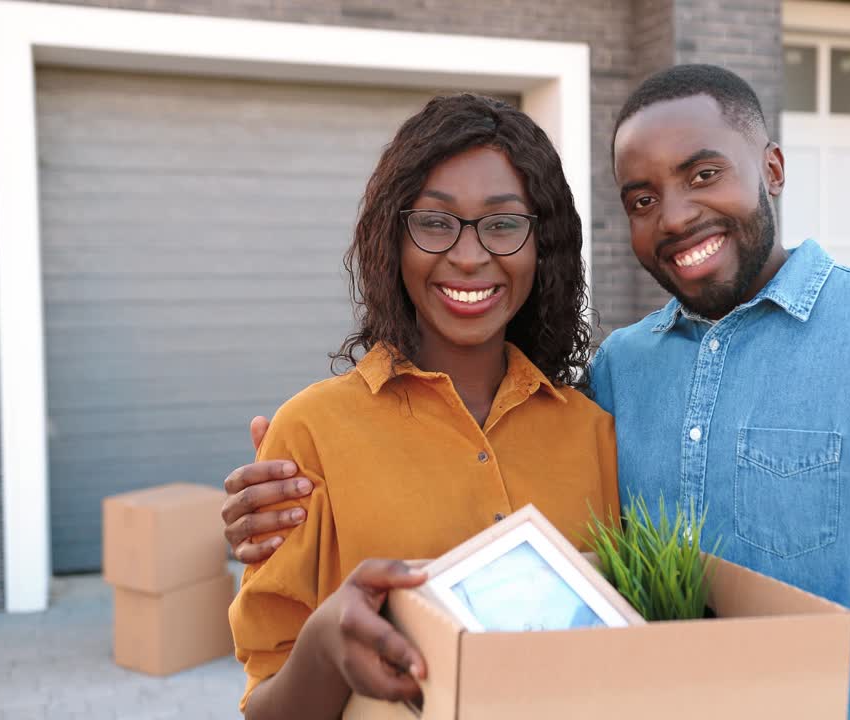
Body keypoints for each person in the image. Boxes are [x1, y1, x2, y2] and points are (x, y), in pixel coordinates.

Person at [223, 65, 850, 720]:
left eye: (704, 173)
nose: (678, 215)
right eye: (642, 196)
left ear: (771, 168)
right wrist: (292, 482)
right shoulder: (620, 375)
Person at [225, 93, 619, 719]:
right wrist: (327, 646)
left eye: (503, 223)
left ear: (543, 245)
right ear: (393, 238)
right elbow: (267, 706)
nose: (468, 255)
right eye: (435, 222)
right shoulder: (309, 435)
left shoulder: (595, 435)